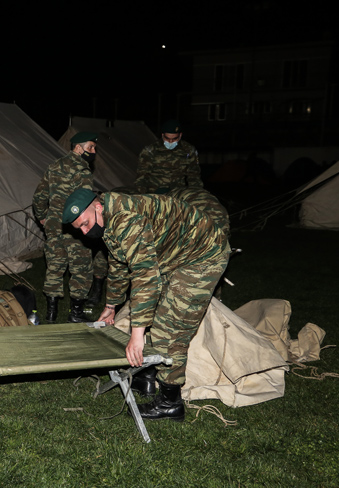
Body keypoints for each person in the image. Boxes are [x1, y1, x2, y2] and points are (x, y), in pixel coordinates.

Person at [62, 188, 230, 421]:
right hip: (175, 255)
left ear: (98, 207)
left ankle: (170, 403)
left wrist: (137, 333)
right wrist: (111, 305)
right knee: (154, 314)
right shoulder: (108, 218)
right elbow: (120, 263)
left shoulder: (126, 220)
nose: (85, 231)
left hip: (203, 255)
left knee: (169, 329)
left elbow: (144, 274)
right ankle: (148, 376)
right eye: (79, 228)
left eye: (86, 224)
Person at [32, 132, 106, 323]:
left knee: (55, 266)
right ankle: (75, 313)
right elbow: (85, 202)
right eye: (90, 147)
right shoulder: (82, 170)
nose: (93, 151)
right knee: (80, 269)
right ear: (78, 148)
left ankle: (51, 313)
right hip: (75, 227)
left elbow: (39, 196)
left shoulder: (54, 166)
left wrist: (42, 217)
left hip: (54, 225)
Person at [135, 119, 204, 193]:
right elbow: (142, 175)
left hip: (178, 191)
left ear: (180, 135)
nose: (170, 142)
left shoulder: (188, 150)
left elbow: (194, 175)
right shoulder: (151, 150)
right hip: (155, 191)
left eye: (174, 139)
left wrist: (195, 192)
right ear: (162, 135)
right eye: (167, 138)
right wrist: (143, 193)